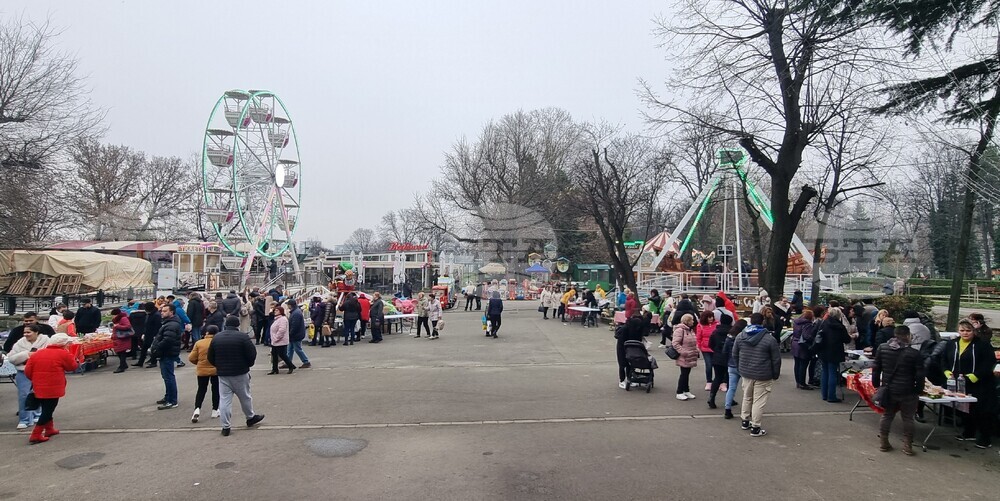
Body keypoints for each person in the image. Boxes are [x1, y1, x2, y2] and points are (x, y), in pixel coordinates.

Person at [872, 325, 924, 455]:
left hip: (889, 389)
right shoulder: (914, 353)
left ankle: (884, 442)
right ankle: (907, 445)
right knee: (908, 418)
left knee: (887, 415)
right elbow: (920, 374)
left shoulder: (882, 348)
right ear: (907, 336)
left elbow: (876, 367)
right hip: (908, 390)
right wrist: (919, 389)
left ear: (895, 335)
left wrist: (876, 384)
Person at [208, 316, 265, 436]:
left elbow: (210, 357)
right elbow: (251, 353)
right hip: (240, 371)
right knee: (245, 397)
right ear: (237, 325)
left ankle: (225, 426)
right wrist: (248, 365)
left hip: (223, 374)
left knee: (224, 400)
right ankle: (250, 417)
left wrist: (219, 365)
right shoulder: (243, 337)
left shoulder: (217, 338)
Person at [945, 320, 997, 448]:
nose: (965, 333)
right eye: (962, 330)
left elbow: (989, 362)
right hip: (960, 382)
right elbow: (944, 359)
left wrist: (975, 376)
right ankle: (969, 432)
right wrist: (947, 372)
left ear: (973, 331)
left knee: (983, 411)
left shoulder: (983, 345)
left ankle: (985, 438)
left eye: (968, 330)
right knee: (966, 409)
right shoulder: (952, 344)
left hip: (981, 383)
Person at [23, 333, 78, 444]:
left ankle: (49, 429)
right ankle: (36, 434)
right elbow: (72, 367)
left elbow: (27, 371)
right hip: (54, 386)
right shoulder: (63, 354)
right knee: (48, 410)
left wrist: (36, 379)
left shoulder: (37, 353)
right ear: (64, 344)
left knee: (46, 408)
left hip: (38, 386)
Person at [733, 312, 781, 437]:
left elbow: (735, 354)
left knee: (747, 397)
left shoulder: (740, 336)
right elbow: (776, 359)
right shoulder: (769, 339)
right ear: (763, 322)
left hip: (746, 372)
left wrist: (739, 368)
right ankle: (755, 427)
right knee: (759, 401)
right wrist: (775, 374)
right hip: (763, 374)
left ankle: (745, 420)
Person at [7, 323, 51, 429]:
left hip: (40, 372)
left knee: (39, 394)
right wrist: (26, 354)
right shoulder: (19, 343)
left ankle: (37, 413)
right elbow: (11, 358)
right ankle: (24, 419)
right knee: (24, 395)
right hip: (23, 372)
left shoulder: (46, 341)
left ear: (36, 332)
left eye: (28, 332)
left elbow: (50, 355)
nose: (26, 334)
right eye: (24, 332)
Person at [816, 308, 853, 403]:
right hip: (835, 351)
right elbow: (847, 339)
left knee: (825, 372)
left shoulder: (824, 323)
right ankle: (831, 396)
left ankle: (824, 394)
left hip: (823, 350)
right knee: (832, 373)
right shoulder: (840, 326)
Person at [151, 303, 183, 410]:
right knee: (167, 377)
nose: (162, 313)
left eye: (165, 311)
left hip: (167, 353)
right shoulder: (168, 323)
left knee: (169, 377)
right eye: (162, 311)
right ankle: (168, 396)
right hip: (166, 353)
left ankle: (172, 400)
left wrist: (156, 348)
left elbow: (167, 340)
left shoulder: (171, 324)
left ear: (171, 312)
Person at [188, 324, 220, 423]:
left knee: (201, 389)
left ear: (206, 332)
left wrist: (198, 363)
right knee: (216, 389)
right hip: (216, 369)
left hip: (202, 369)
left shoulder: (199, 343)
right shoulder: (218, 342)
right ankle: (215, 410)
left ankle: (197, 409)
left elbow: (191, 358)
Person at [707, 314, 733, 409]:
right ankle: (730, 398)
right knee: (730, 378)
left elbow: (710, 344)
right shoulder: (733, 332)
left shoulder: (715, 332)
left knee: (717, 378)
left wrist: (717, 350)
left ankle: (712, 397)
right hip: (729, 358)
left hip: (717, 357)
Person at [723, 319, 747, 419]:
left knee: (731, 388)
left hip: (731, 365)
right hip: (743, 365)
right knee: (746, 389)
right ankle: (746, 411)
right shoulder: (744, 338)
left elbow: (724, 351)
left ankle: (727, 409)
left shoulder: (729, 337)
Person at [671, 313, 699, 401]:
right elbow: (675, 343)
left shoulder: (690, 330)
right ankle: (679, 392)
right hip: (685, 356)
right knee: (684, 373)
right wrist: (683, 352)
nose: (693, 321)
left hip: (690, 355)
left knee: (686, 373)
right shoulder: (680, 330)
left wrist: (696, 349)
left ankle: (686, 390)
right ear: (687, 321)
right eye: (691, 320)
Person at [616, 313, 646, 389]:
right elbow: (621, 340)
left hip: (631, 347)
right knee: (622, 364)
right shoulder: (625, 329)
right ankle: (621, 380)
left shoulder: (637, 329)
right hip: (622, 347)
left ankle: (629, 379)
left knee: (630, 363)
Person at [790, 309, 817, 390]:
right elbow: (807, 336)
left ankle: (798, 382)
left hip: (795, 343)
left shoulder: (796, 322)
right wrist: (813, 338)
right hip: (802, 346)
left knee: (797, 364)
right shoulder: (808, 324)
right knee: (803, 364)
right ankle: (802, 383)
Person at [267, 306, 296, 374]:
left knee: (282, 355)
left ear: (281, 311)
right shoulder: (276, 319)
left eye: (277, 310)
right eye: (275, 310)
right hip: (275, 341)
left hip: (280, 341)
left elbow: (282, 330)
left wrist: (277, 338)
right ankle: (274, 369)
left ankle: (290, 366)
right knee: (274, 355)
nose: (275, 311)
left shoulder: (283, 319)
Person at [695, 311, 719, 391]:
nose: (711, 318)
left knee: (716, 365)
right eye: (709, 317)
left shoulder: (717, 324)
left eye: (712, 316)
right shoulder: (700, 326)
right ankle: (709, 381)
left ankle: (717, 381)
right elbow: (698, 337)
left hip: (715, 348)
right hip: (705, 348)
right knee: (708, 365)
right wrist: (698, 347)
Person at [285, 299, 311, 368]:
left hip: (296, 334)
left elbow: (295, 326)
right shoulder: (296, 312)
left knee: (297, 349)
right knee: (290, 348)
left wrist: (290, 333)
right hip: (297, 334)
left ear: (290, 305)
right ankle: (288, 362)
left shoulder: (295, 313)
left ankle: (306, 361)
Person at [110, 308, 134, 374]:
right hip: (118, 338)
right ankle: (124, 365)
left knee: (122, 352)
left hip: (123, 338)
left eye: (113, 315)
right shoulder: (116, 320)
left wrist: (117, 326)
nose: (113, 317)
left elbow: (128, 326)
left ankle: (122, 366)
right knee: (119, 352)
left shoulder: (123, 318)